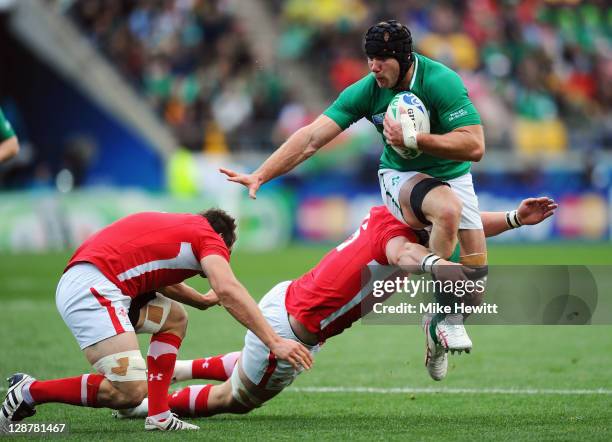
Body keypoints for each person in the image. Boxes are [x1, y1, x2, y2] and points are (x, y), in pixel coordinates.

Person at [116, 198, 556, 419]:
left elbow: (465, 229)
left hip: (288, 299)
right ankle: (147, 406)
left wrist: (515, 219)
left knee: (246, 365)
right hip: (292, 328)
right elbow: (406, 257)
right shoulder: (398, 239)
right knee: (235, 398)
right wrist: (440, 269)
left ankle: (178, 369)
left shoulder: (396, 216)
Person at [220, 20, 487, 352]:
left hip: (454, 174)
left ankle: (437, 327)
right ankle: (436, 289)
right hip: (400, 175)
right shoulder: (367, 90)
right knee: (446, 210)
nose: (374, 66)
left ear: (404, 58)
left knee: (473, 290)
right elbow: (311, 138)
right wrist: (262, 173)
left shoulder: (441, 81)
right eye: (370, 58)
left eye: (382, 59)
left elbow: (475, 147)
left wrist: (416, 139)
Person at [0, 209, 312, 433]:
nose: (224, 258)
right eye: (226, 252)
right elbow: (227, 288)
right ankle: (29, 391)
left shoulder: (183, 230)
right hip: (95, 290)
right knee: (129, 393)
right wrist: (274, 340)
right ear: (222, 239)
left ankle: (160, 414)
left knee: (175, 318)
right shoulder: (209, 238)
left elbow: (157, 276)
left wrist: (201, 301)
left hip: (102, 284)